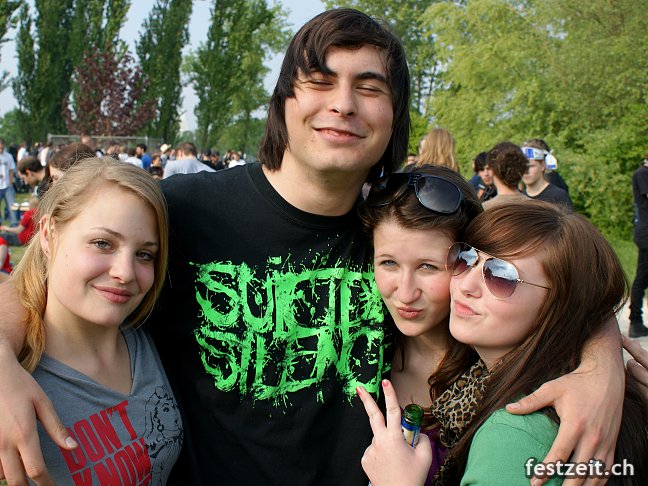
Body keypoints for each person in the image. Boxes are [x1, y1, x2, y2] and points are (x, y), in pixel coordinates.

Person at [0, 8, 626, 486]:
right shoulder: (183, 212)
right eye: (320, 81)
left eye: (369, 87)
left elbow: (552, 274)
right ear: (285, 102)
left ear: (394, 114)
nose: (343, 104)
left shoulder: (406, 224)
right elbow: (38, 285)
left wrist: (602, 366)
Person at [359, 202, 647, 485]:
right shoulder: (490, 386)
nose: (465, 285)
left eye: (501, 276)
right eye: (466, 259)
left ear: (560, 307)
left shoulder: (515, 433)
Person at [11, 157, 182, 483]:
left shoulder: (148, 337)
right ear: (47, 234)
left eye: (144, 254)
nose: (125, 273)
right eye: (102, 243)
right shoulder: (17, 375)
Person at [359, 165, 482, 482]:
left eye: (427, 267)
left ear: (468, 263)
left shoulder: (497, 374)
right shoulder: (360, 346)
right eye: (388, 262)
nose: (405, 293)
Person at [628, 153, 648, 337]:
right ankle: (635, 320)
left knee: (643, 276)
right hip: (646, 232)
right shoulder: (642, 173)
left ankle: (636, 321)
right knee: (642, 277)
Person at [521, 141, 573, 210]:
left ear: (543, 165)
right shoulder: (519, 199)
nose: (525, 171)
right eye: (521, 166)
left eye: (530, 166)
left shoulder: (559, 196)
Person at [481, 142, 529, 210]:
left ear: (491, 171)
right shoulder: (541, 207)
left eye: (488, 168)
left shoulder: (483, 210)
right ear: (523, 169)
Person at [0, 138, 17, 226]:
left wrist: (10, 182)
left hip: (7, 185)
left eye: (2, 148)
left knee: (11, 205)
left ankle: (14, 223)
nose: (1, 149)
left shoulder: (8, 156)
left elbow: (11, 169)